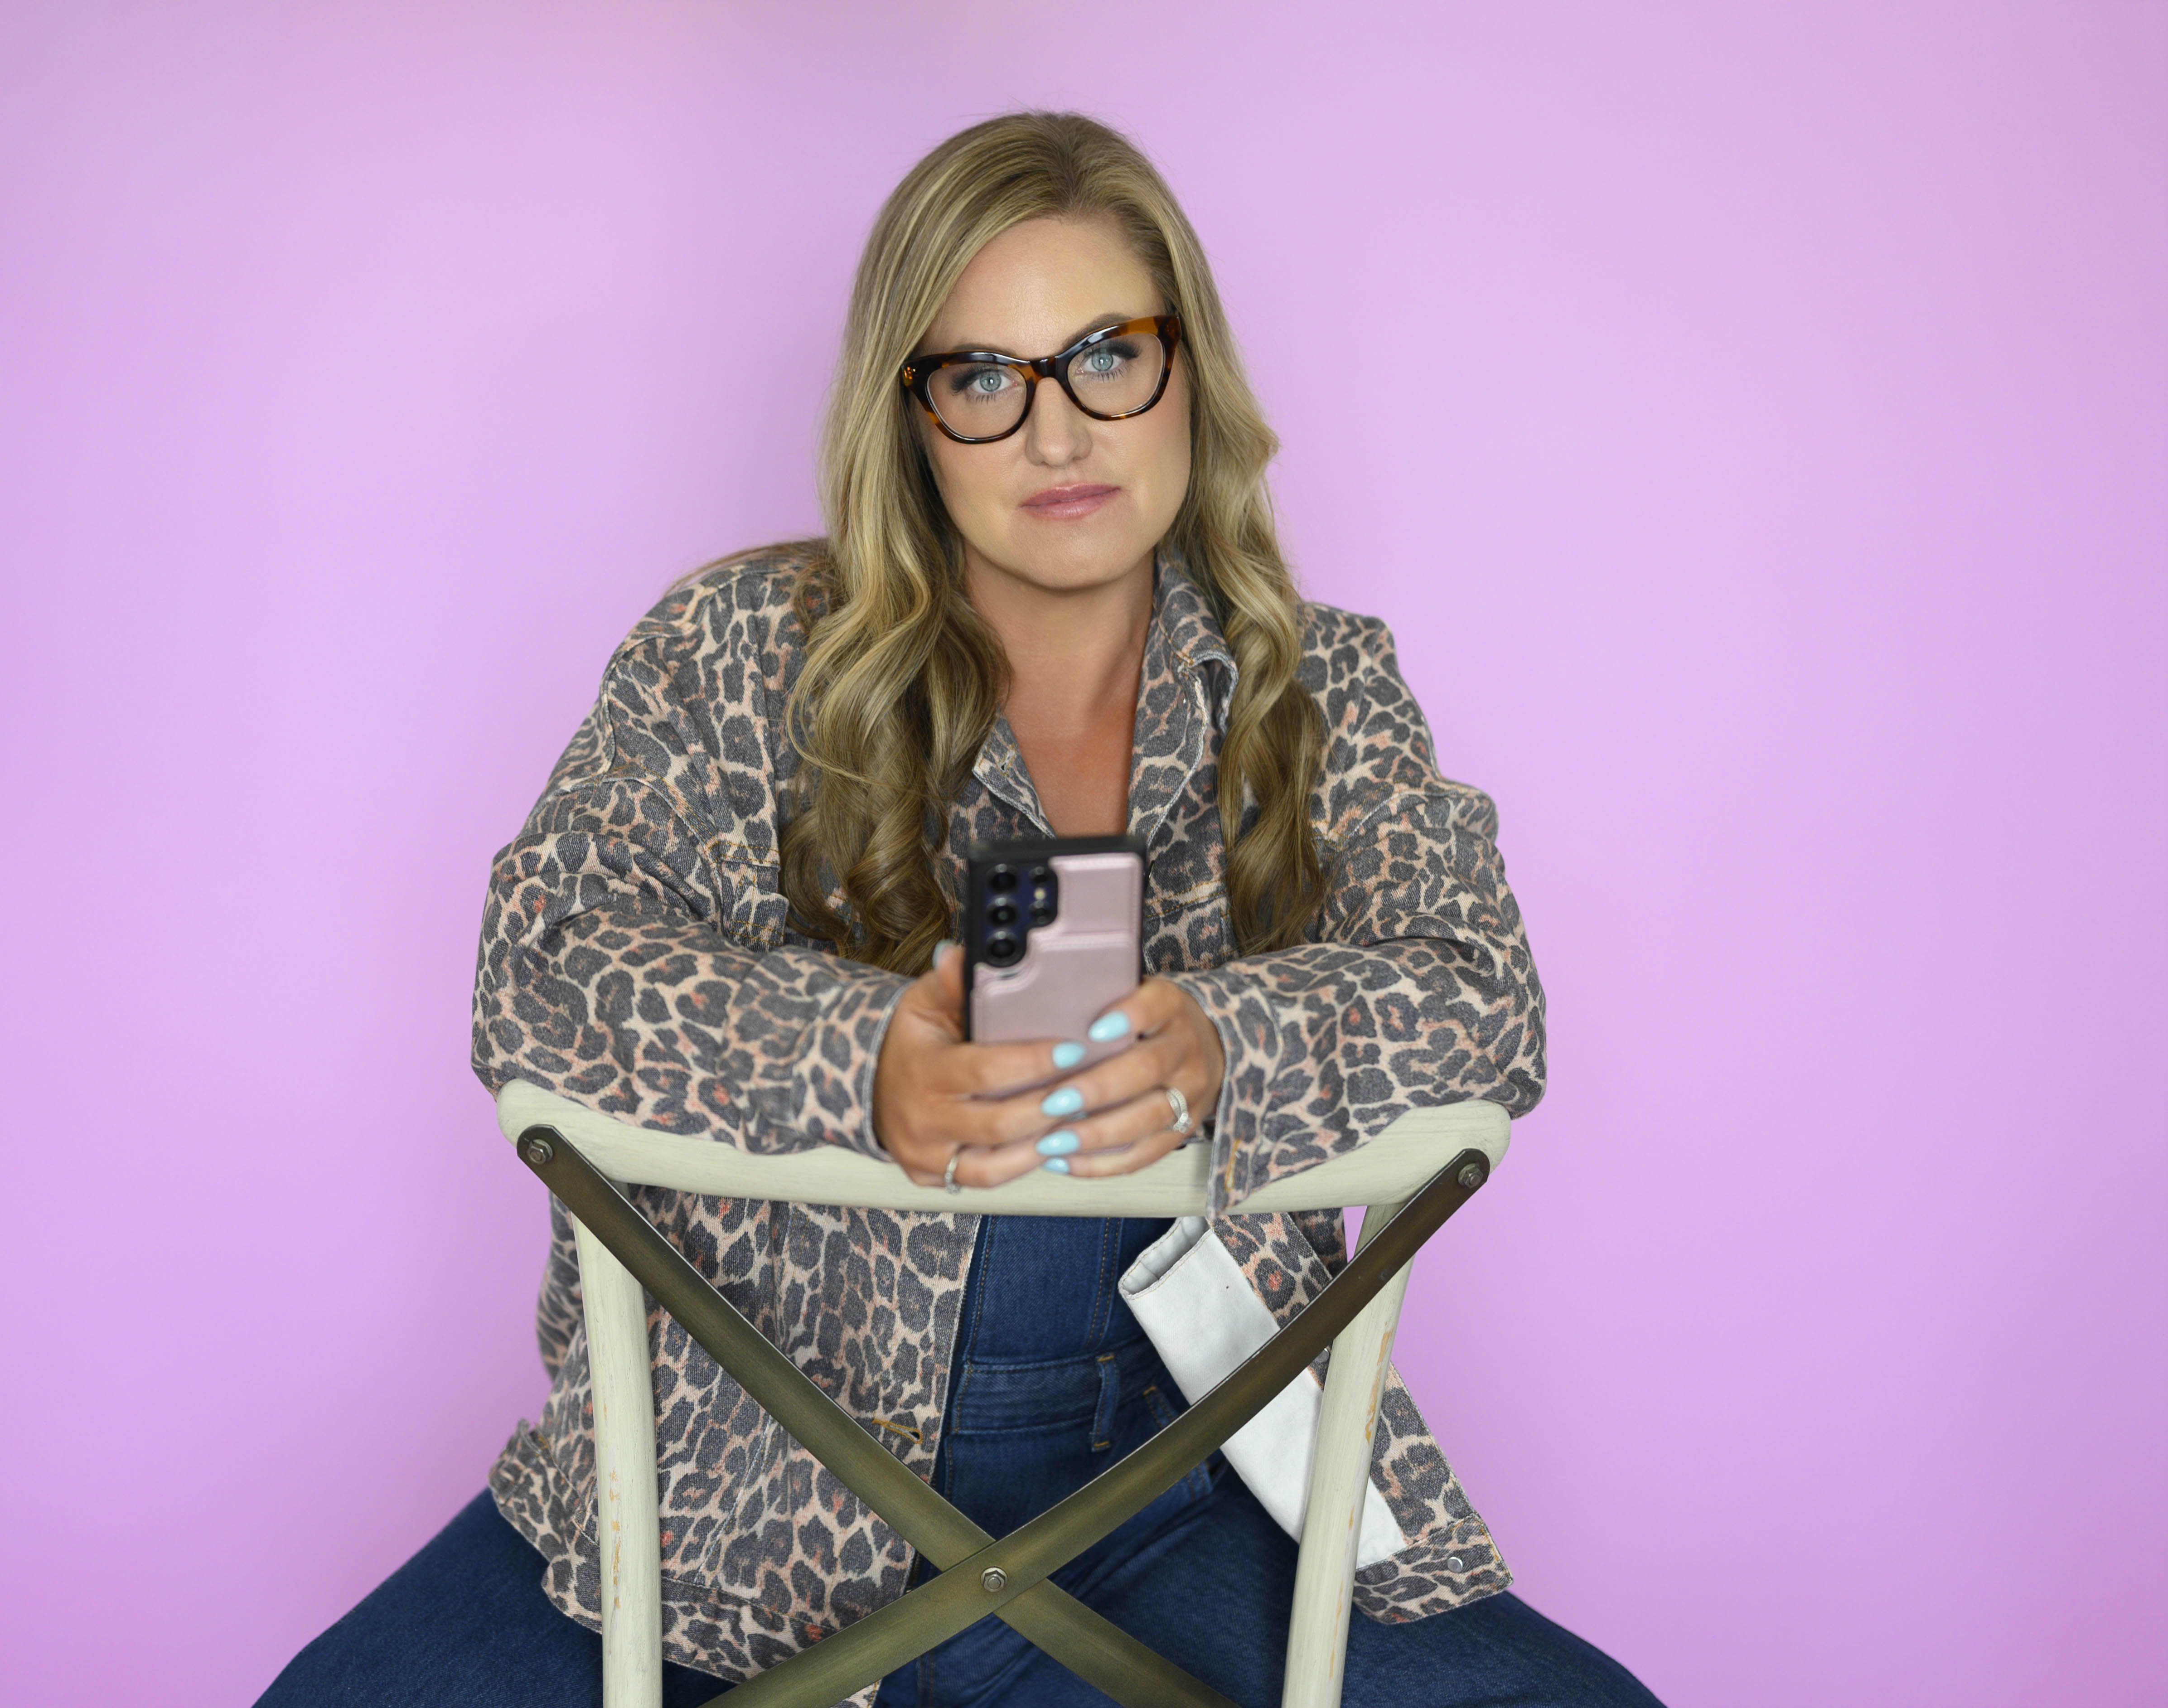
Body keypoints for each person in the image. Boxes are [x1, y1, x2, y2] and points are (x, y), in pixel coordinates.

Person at [258, 111, 1661, 1708]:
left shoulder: (1314, 688)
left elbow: (1479, 994)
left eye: (1104, 356)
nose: (1056, 435)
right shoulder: (737, 650)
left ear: (1188, 370)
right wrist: (861, 1061)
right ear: (911, 418)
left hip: (1168, 1475)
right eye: (983, 379)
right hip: (738, 1485)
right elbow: (548, 963)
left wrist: (1223, 1040)